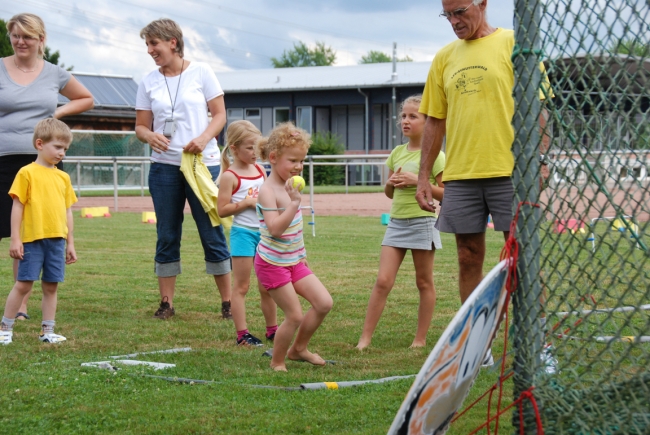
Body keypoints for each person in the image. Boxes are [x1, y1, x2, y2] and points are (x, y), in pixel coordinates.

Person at [415, 0, 554, 369]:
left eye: (460, 11)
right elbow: (433, 121)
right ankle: (476, 346)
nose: (454, 21)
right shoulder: (444, 57)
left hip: (512, 171)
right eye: (447, 14)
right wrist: (424, 176)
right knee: (467, 258)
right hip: (461, 174)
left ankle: (539, 347)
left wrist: (538, 160)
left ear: (482, 4)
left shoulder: (515, 44)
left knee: (524, 259)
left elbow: (539, 108)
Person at [135, 18, 232, 320]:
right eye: (148, 45)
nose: (150, 50)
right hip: (164, 169)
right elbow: (140, 126)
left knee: (212, 232)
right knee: (166, 234)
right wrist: (149, 135)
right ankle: (167, 304)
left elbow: (219, 115)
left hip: (203, 166)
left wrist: (204, 138)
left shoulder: (202, 72)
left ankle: (228, 303)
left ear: (172, 42)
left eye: (154, 44)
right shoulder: (148, 81)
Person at [0, 13, 93, 321]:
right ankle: (16, 302)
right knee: (10, 230)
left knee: (33, 231)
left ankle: (23, 306)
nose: (20, 41)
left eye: (27, 36)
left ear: (41, 40)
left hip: (42, 163)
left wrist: (57, 113)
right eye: (15, 35)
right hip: (4, 161)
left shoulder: (54, 73)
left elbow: (86, 98)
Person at [356, 95, 445, 350]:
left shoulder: (436, 155)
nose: (406, 121)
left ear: (428, 123)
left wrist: (418, 182)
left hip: (422, 222)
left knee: (424, 282)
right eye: (403, 116)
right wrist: (390, 183)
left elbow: (445, 192)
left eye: (413, 116)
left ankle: (420, 339)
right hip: (396, 223)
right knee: (383, 280)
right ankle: (365, 339)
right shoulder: (396, 153)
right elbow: (390, 193)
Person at [254, 123, 333, 371]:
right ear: (274, 158)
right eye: (293, 160)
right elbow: (275, 229)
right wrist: (294, 203)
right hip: (272, 264)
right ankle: (277, 361)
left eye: (302, 161)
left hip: (293, 261)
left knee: (323, 303)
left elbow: (295, 229)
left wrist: (302, 255)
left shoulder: (290, 186)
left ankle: (298, 349)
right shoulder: (268, 191)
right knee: (295, 315)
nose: (299, 166)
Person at [0, 118, 77, 345]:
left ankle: (47, 331)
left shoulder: (63, 177)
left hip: (57, 241)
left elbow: (68, 212)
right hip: (32, 240)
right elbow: (17, 206)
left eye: (65, 149)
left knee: (51, 286)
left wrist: (70, 243)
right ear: (40, 144)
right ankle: (5, 328)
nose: (61, 152)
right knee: (24, 284)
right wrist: (16, 239)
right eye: (57, 147)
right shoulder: (26, 173)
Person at [217, 120, 278, 346]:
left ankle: (273, 330)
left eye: (257, 146)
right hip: (243, 234)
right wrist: (246, 203)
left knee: (268, 286)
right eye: (249, 148)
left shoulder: (261, 169)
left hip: (264, 234)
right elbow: (221, 210)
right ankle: (242, 334)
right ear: (234, 148)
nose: (255, 152)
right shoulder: (230, 176)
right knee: (242, 287)